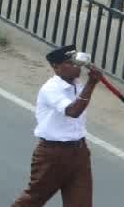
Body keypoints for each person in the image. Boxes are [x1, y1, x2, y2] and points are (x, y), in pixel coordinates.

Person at [10, 45, 99, 206]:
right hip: (53, 154)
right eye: (69, 63)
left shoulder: (77, 85)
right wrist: (91, 83)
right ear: (56, 67)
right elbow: (73, 111)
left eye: (75, 62)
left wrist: (90, 82)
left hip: (79, 152)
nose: (75, 66)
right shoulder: (51, 88)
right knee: (33, 199)